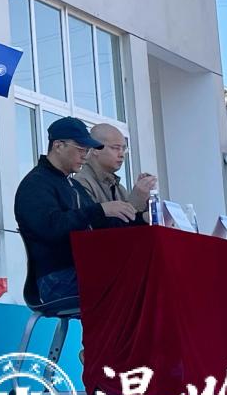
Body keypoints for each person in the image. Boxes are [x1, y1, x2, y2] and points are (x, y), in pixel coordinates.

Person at [15, 118, 143, 305]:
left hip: (82, 271)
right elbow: (51, 227)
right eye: (81, 149)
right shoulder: (36, 184)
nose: (85, 156)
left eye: (88, 150)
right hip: (55, 279)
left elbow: (104, 226)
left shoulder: (72, 185)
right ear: (58, 146)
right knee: (137, 285)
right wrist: (99, 210)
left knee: (147, 276)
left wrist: (143, 219)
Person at [75, 123, 157, 223]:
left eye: (124, 149)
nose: (122, 154)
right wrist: (134, 201)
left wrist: (146, 202)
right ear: (95, 149)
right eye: (115, 148)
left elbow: (133, 227)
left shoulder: (119, 188)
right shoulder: (80, 183)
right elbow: (95, 226)